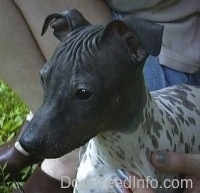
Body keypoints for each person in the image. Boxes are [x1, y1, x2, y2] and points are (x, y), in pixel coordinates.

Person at [0, 0, 199, 192]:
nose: (29, 140)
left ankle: (66, 159)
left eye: (83, 94)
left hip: (174, 47)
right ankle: (68, 152)